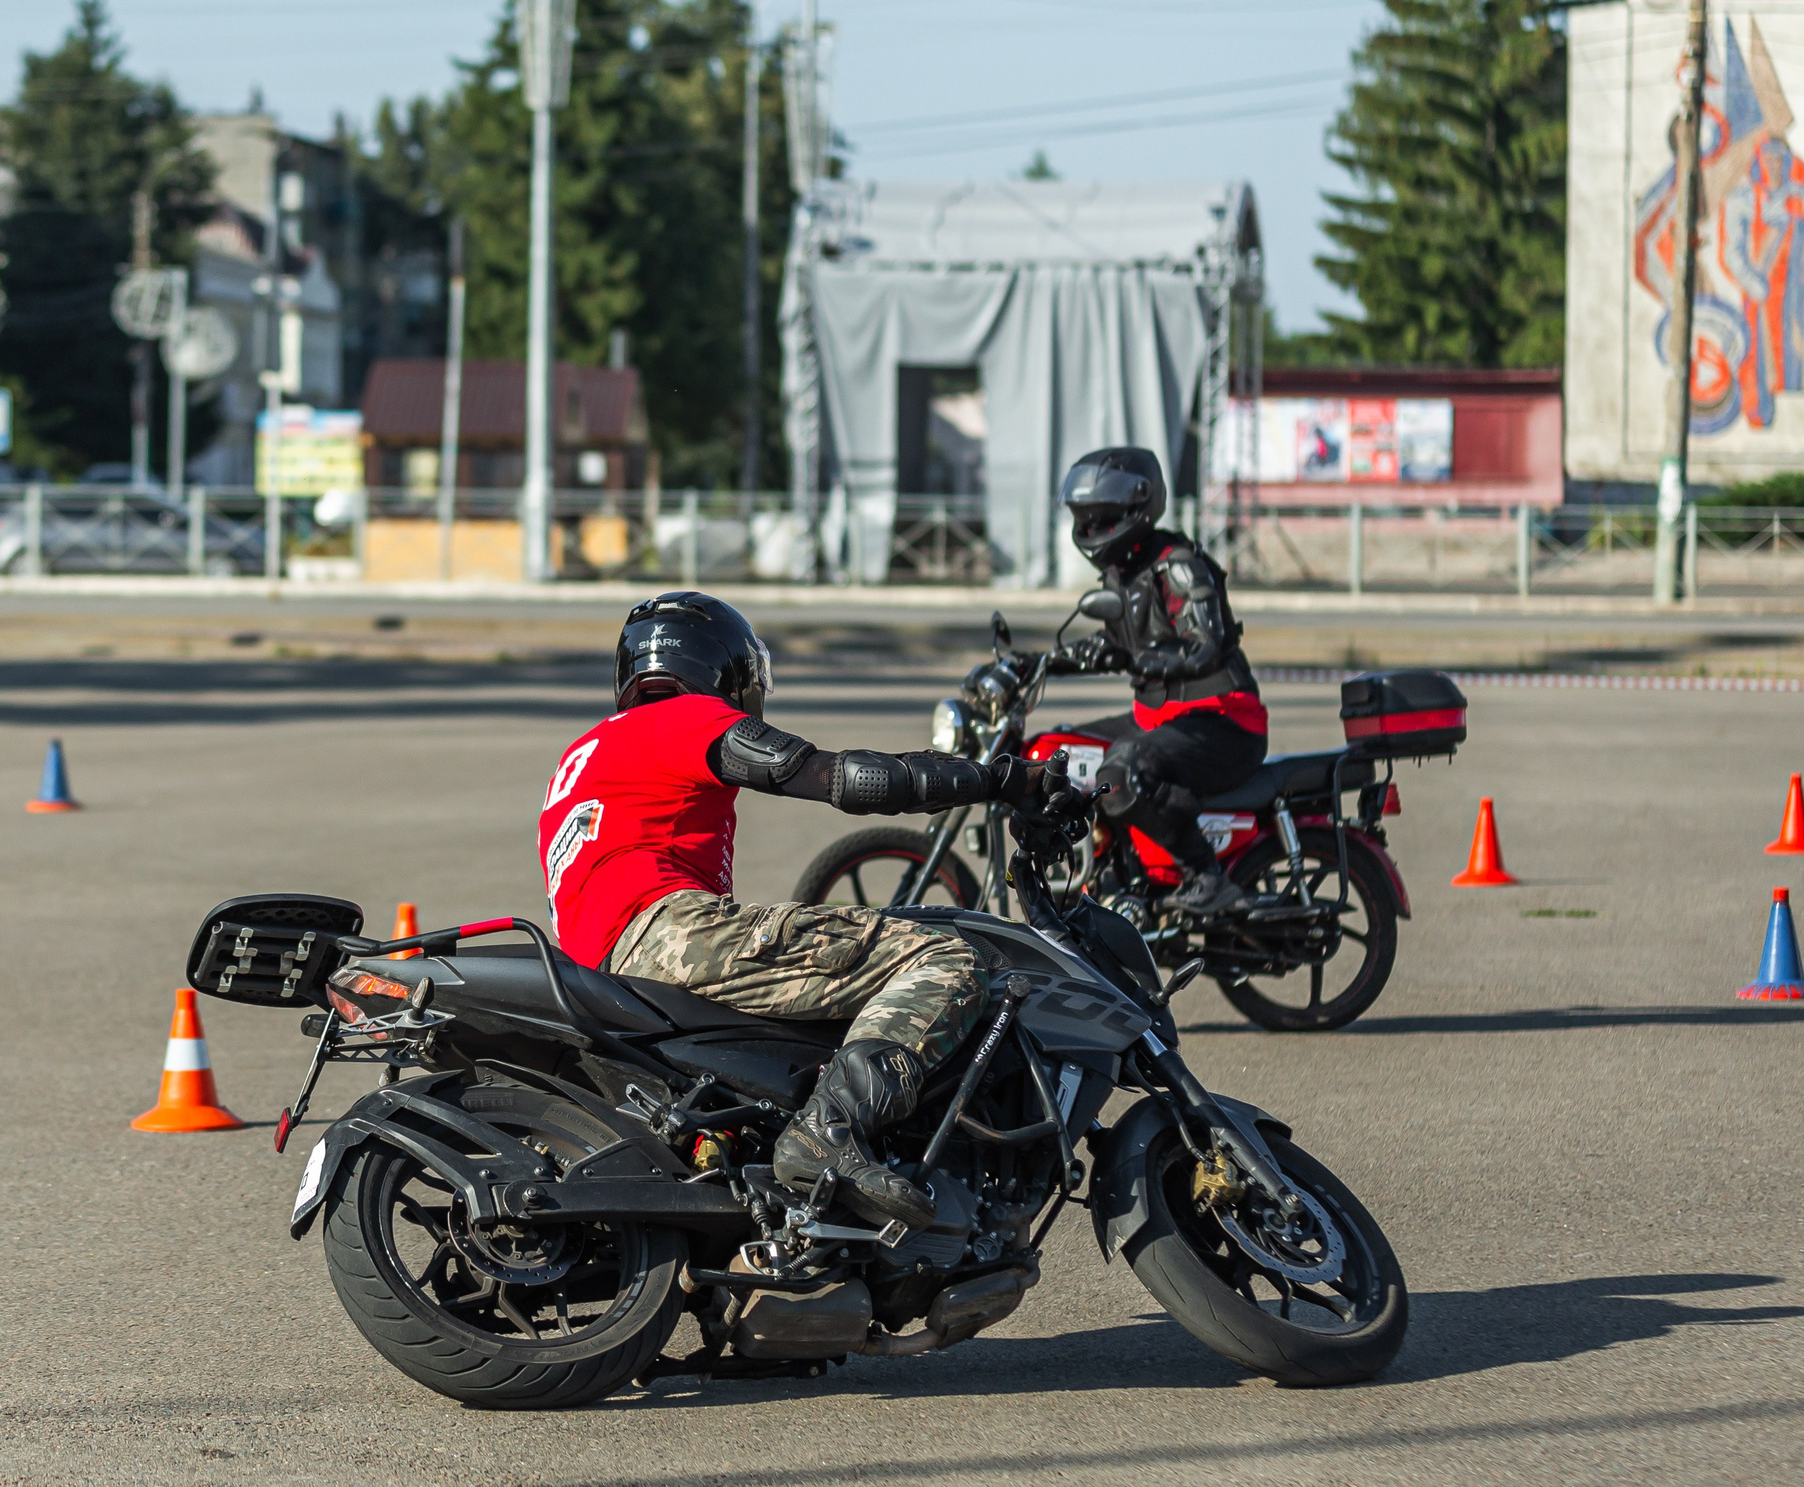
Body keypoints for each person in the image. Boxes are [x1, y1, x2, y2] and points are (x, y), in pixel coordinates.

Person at [536, 591, 1083, 1231]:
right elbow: (838, 779)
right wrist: (998, 781)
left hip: (606, 970)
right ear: (719, 665)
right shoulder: (684, 719)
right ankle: (832, 1129)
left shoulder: (585, 754)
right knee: (946, 956)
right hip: (672, 933)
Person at [1051, 447, 1267, 915]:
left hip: (1225, 723)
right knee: (1057, 750)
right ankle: (1112, 871)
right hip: (1159, 718)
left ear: (1134, 509)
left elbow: (1206, 644)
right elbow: (1124, 646)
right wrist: (1036, 663)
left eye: (1099, 517)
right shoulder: (1121, 575)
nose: (1089, 530)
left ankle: (1206, 875)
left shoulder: (1179, 565)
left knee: (1121, 770)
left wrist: (1134, 659)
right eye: (1083, 519)